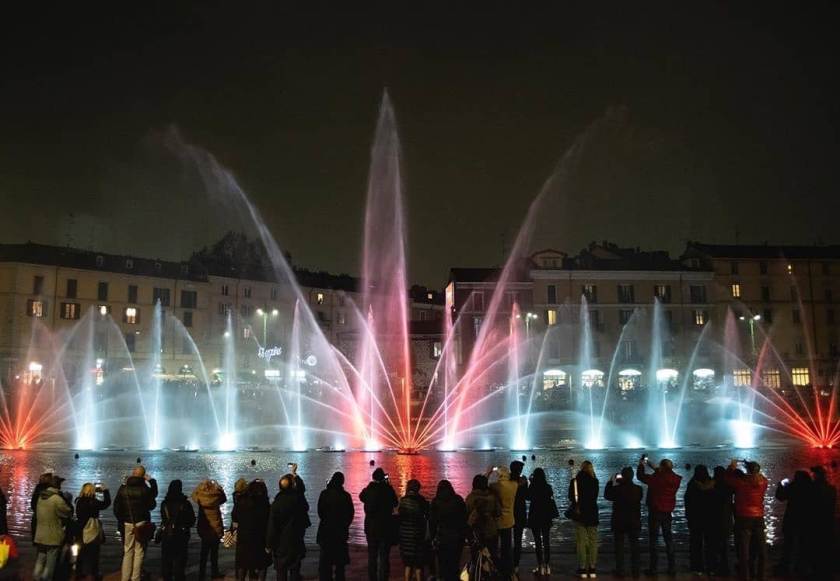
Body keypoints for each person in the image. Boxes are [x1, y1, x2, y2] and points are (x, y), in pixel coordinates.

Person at [722, 459, 768, 580]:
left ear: (748, 470)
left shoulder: (740, 483)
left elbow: (726, 478)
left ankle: (745, 576)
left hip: (743, 518)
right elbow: (758, 476)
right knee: (761, 549)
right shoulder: (764, 482)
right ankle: (761, 575)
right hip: (758, 517)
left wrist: (731, 467)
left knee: (744, 551)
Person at [637, 457, 681, 576]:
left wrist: (641, 464)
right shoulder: (676, 479)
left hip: (655, 511)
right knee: (669, 540)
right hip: (667, 513)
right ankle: (672, 567)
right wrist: (653, 466)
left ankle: (654, 568)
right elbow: (665, 474)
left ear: (661, 468)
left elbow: (641, 476)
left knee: (654, 540)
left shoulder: (656, 479)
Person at [114, 466, 158, 581]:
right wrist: (152, 481)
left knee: (127, 551)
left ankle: (125, 578)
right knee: (139, 551)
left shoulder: (123, 488)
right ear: (143, 476)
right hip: (141, 523)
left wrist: (122, 519)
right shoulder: (145, 489)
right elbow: (152, 505)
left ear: (133, 474)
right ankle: (135, 578)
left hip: (127, 523)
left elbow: (116, 507)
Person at [359, 468, 398, 581]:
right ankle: (384, 578)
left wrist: (370, 486)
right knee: (385, 557)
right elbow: (396, 503)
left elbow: (361, 497)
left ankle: (372, 578)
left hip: (371, 527)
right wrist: (388, 484)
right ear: (383, 478)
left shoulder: (369, 489)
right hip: (386, 527)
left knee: (372, 556)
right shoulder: (388, 489)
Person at [267, 474, 308, 581]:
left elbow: (272, 526)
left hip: (281, 544)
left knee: (281, 571)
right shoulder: (299, 500)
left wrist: (269, 544)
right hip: (296, 540)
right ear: (292, 486)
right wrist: (296, 476)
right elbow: (302, 493)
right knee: (295, 569)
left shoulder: (276, 503)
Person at [604, 466, 643, 578]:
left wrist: (611, 481)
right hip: (634, 521)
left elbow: (607, 495)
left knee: (619, 547)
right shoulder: (638, 489)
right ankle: (635, 570)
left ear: (623, 476)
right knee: (635, 547)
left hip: (619, 522)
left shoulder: (617, 489)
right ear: (632, 476)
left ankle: (620, 569)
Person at [32, 474, 72, 581]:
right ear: (58, 486)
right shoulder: (57, 499)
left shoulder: (41, 497)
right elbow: (67, 512)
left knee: (40, 559)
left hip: (40, 535)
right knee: (50, 564)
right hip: (52, 536)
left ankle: (36, 578)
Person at [774, 470, 813, 576]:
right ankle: (800, 567)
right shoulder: (811, 487)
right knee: (803, 544)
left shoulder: (793, 486)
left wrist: (781, 485)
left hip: (791, 519)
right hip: (806, 520)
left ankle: (785, 566)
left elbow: (780, 497)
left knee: (788, 544)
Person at [317, 472, 354, 581]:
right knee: (340, 565)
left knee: (325, 564)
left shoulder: (324, 494)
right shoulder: (346, 496)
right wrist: (345, 525)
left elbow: (320, 512)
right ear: (342, 482)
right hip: (340, 533)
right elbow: (350, 514)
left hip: (326, 532)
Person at [232, 480, 271, 581]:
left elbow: (235, 518)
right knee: (261, 565)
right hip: (260, 539)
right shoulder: (265, 505)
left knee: (243, 564)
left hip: (244, 538)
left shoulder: (241, 502)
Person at [429, 479, 467, 581]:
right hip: (457, 538)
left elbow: (432, 522)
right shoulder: (458, 500)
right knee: (454, 564)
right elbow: (464, 518)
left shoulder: (436, 502)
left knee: (443, 565)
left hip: (442, 538)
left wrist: (432, 538)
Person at [160, 480, 196, 581]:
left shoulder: (164, 503)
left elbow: (164, 519)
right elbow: (192, 520)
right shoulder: (185, 504)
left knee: (167, 562)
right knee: (180, 562)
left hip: (167, 535)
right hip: (181, 535)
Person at [74, 482, 111, 581]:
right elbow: (106, 503)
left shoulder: (79, 501)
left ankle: (79, 573)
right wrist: (105, 491)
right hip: (91, 529)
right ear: (92, 491)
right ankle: (93, 573)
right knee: (93, 553)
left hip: (80, 529)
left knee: (80, 552)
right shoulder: (93, 502)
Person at [192, 479, 227, 580]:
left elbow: (193, 495)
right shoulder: (216, 497)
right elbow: (224, 499)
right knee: (214, 554)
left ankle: (201, 574)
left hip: (204, 528)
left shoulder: (200, 498)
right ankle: (214, 572)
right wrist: (218, 487)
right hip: (215, 528)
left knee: (203, 554)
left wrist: (200, 486)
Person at [569, 460, 599, 578]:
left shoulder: (575, 481)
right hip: (592, 513)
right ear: (591, 469)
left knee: (581, 541)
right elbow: (595, 497)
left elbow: (571, 497)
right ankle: (592, 567)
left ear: (581, 468)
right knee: (593, 541)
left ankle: (582, 568)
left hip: (580, 514)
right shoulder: (595, 481)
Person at [685, 465, 716, 575]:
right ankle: (711, 567)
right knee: (710, 544)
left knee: (695, 544)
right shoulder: (713, 484)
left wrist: (688, 517)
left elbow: (687, 503)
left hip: (696, 519)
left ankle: (697, 567)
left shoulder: (692, 485)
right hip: (710, 519)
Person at [527, 467, 558, 576]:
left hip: (535, 517)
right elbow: (550, 496)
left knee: (538, 542)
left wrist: (530, 482)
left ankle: (540, 565)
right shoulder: (548, 487)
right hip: (546, 516)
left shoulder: (532, 487)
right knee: (546, 541)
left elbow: (528, 497)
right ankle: (547, 566)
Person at [465, 474, 501, 565]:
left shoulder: (470, 498)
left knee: (476, 557)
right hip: (491, 530)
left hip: (476, 533)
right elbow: (498, 513)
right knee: (493, 555)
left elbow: (466, 515)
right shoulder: (492, 497)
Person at [488, 465, 517, 578]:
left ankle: (497, 569)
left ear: (499, 475)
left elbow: (483, 484)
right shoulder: (514, 485)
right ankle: (508, 571)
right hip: (509, 521)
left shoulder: (495, 486)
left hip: (497, 521)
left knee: (494, 548)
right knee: (507, 548)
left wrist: (489, 472)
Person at [398, 479, 429, 581]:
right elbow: (428, 515)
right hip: (418, 536)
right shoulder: (421, 501)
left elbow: (399, 517)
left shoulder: (403, 501)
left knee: (408, 565)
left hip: (405, 537)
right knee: (419, 566)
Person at [809, 465, 837, 579]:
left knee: (816, 548)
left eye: (814, 474)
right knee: (827, 548)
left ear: (817, 475)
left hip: (816, 524)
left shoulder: (812, 489)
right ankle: (828, 572)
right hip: (829, 523)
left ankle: (817, 573)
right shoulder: (832, 489)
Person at [710, 466, 734, 576]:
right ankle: (726, 567)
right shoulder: (729, 486)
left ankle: (715, 567)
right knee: (725, 545)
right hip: (727, 519)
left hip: (714, 519)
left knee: (714, 545)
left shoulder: (712, 486)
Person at [509, 460, 529, 576]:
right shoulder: (523, 481)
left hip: (508, 512)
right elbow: (527, 496)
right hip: (520, 514)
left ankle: (506, 563)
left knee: (506, 540)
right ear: (519, 470)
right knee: (517, 541)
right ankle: (516, 565)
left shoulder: (507, 481)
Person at [30, 472, 54, 542]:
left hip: (37, 513)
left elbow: (33, 502)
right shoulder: (51, 489)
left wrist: (35, 510)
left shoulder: (38, 488)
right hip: (46, 516)